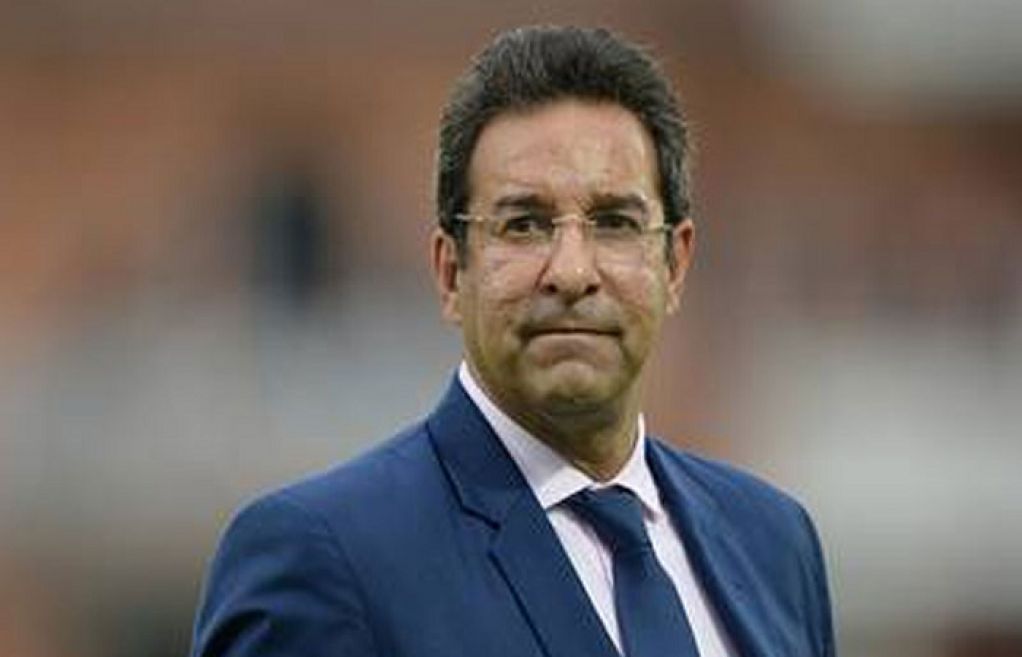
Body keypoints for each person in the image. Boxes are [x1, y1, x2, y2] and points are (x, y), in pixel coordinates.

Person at [190, 25, 835, 657]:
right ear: (451, 272)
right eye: (524, 224)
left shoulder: (774, 545)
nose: (572, 272)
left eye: (615, 222)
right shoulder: (324, 558)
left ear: (675, 264)